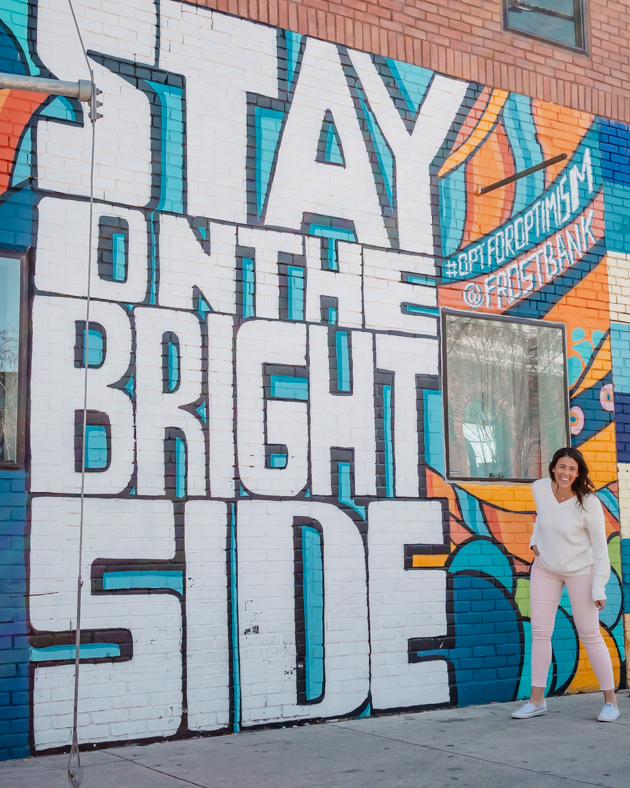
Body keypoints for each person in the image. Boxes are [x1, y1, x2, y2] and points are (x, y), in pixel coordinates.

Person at [511, 447, 619, 722]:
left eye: (572, 469)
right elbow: (543, 519)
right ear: (553, 468)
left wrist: (599, 587)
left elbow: (599, 548)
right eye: (562, 467)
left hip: (580, 571)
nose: (566, 473)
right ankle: (537, 701)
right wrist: (533, 541)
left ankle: (611, 702)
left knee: (590, 633)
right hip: (546, 568)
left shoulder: (589, 503)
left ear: (578, 473)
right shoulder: (540, 489)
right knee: (540, 632)